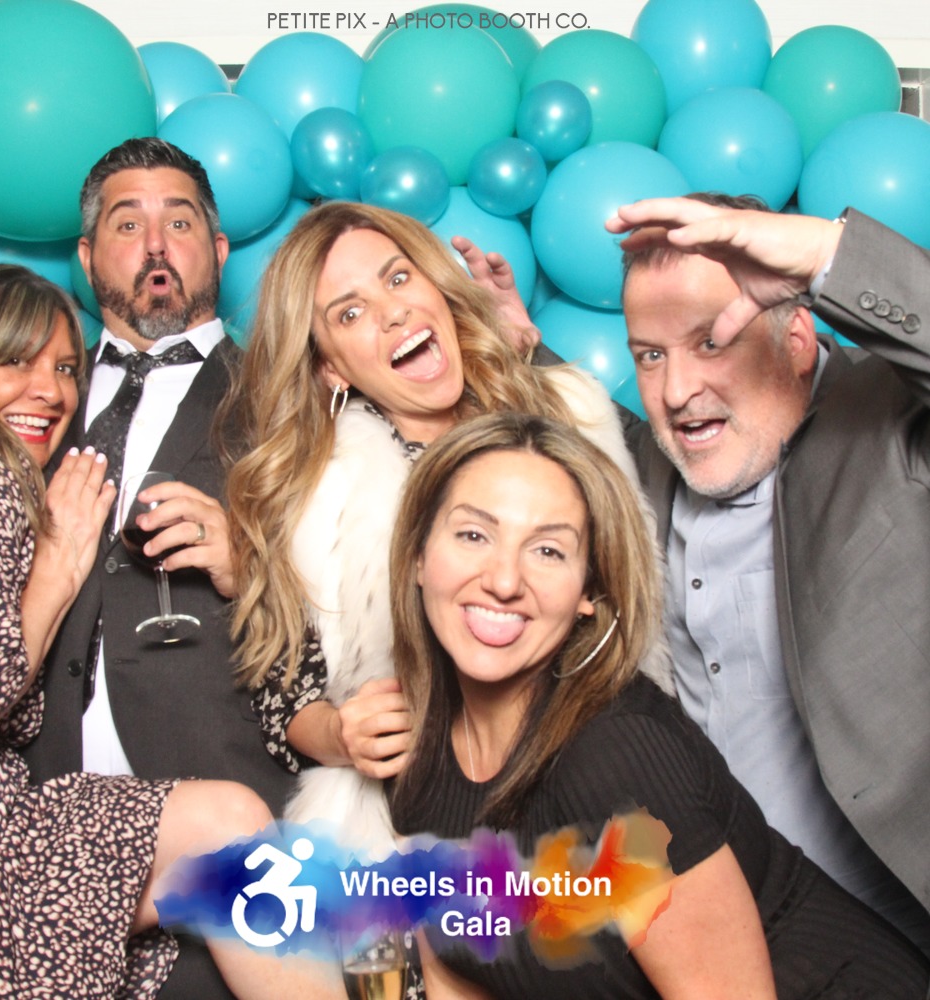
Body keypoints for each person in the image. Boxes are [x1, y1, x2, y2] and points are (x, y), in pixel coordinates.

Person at [386, 410, 930, 1000]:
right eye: (473, 535)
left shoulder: (614, 756)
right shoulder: (418, 753)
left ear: (589, 591)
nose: (503, 580)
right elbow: (459, 965)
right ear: (418, 555)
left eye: (547, 551)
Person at [0, 264, 344, 1000]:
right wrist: (58, 567)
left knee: (224, 829)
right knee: (227, 828)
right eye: (16, 361)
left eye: (66, 368)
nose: (50, 390)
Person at [223, 200, 668, 851]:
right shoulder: (316, 504)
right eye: (349, 313)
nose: (391, 312)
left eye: (398, 278)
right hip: (437, 826)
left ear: (435, 285)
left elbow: (643, 572)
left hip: (610, 778)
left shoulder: (569, 416)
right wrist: (342, 734)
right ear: (331, 366)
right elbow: (283, 697)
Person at [604, 194, 930, 949]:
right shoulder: (658, 471)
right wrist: (522, 348)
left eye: (711, 341)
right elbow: (605, 432)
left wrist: (825, 256)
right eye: (650, 355)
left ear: (798, 338)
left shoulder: (888, 420)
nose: (676, 390)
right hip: (740, 947)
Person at [21, 137, 292, 997]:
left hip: (229, 824)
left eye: (179, 223)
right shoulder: (29, 401)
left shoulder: (287, 399)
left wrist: (252, 563)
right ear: (86, 256)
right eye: (126, 224)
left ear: (217, 250)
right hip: (46, 830)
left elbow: (369, 599)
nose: (154, 245)